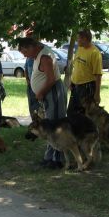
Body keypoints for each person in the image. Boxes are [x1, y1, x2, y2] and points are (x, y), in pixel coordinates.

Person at [18, 37, 67, 169]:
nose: (24, 55)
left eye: (24, 52)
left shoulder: (44, 57)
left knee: (55, 125)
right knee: (49, 124)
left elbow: (51, 79)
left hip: (53, 93)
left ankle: (58, 159)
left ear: (31, 47)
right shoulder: (37, 56)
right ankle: (49, 157)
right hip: (47, 94)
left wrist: (40, 93)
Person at [67, 29, 102, 117]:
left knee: (84, 115)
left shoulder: (95, 53)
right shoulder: (80, 48)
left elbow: (98, 75)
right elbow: (77, 67)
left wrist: (97, 94)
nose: (77, 40)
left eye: (78, 38)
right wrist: (72, 81)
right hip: (75, 87)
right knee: (71, 112)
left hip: (87, 88)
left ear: (85, 39)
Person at [24, 55, 40, 120]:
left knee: (40, 105)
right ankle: (34, 121)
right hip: (30, 86)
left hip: (39, 86)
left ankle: (40, 122)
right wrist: (28, 80)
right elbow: (25, 70)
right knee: (31, 105)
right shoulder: (28, 58)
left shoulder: (40, 57)